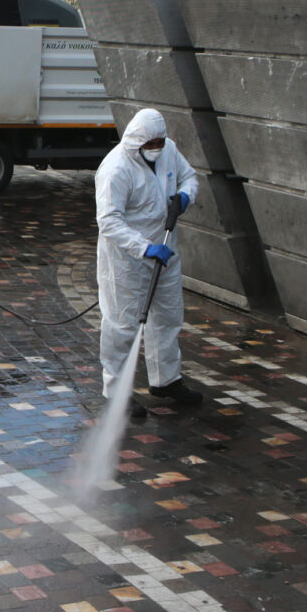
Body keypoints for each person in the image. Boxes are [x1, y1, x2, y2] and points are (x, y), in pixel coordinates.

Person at [94, 106, 201, 410]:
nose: (156, 149)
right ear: (135, 142)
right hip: (126, 261)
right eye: (150, 145)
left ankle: (166, 381)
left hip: (165, 252)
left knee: (167, 317)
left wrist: (184, 197)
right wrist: (144, 248)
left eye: (159, 143)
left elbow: (189, 178)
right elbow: (109, 221)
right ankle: (115, 392)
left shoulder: (169, 151)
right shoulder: (116, 169)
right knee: (123, 324)